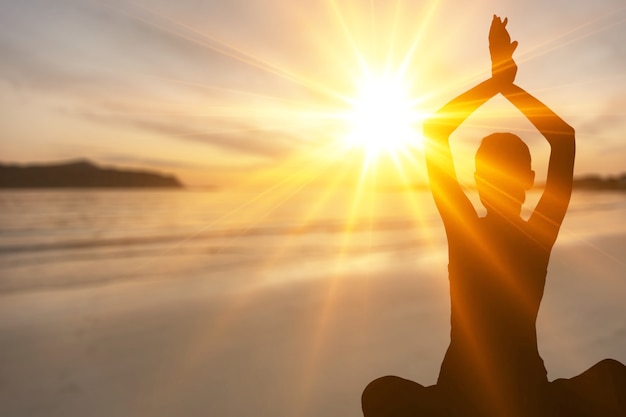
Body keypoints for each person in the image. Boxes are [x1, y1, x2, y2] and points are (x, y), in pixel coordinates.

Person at [361, 15, 626, 417]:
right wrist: (508, 84)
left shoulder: (466, 229)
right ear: (529, 181)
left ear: (479, 181)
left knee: (381, 395)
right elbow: (563, 139)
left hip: (465, 395)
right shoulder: (536, 234)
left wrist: (497, 81)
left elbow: (435, 130)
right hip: (523, 396)